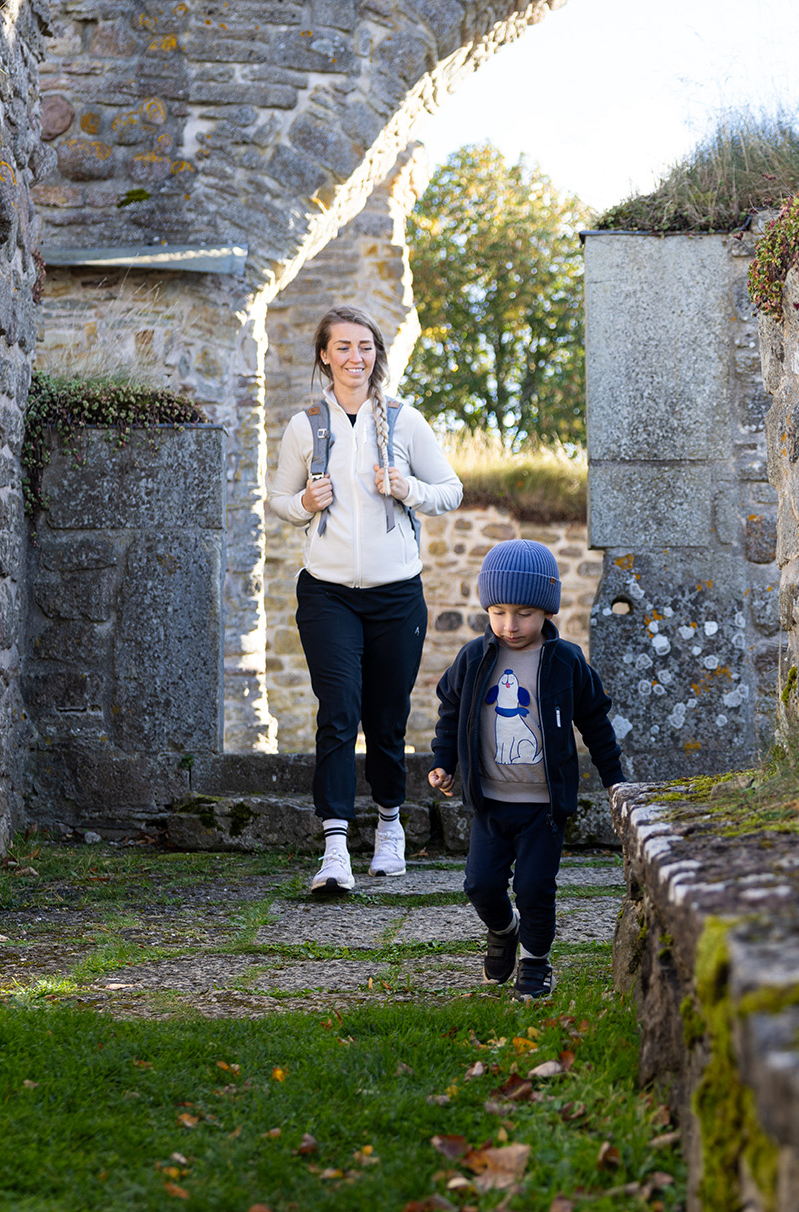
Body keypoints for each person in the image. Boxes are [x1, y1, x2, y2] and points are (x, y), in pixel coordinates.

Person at [266, 307, 463, 892]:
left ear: (377, 354)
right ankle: (333, 848)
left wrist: (408, 489)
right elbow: (277, 496)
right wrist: (304, 503)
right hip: (327, 594)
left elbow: (450, 490)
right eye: (344, 347)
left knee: (385, 716)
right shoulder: (305, 425)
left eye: (366, 347)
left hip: (397, 596)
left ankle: (390, 824)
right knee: (338, 712)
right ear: (325, 355)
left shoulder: (404, 421)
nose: (356, 357)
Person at [427, 540, 624, 1001]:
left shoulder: (566, 663)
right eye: (497, 612)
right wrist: (443, 762)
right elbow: (451, 710)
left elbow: (595, 721)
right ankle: (503, 930)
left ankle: (535, 961)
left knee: (536, 888)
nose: (509, 626)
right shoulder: (474, 659)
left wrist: (614, 779)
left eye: (524, 613)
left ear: (547, 611)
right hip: (491, 803)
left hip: (543, 808)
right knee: (480, 884)